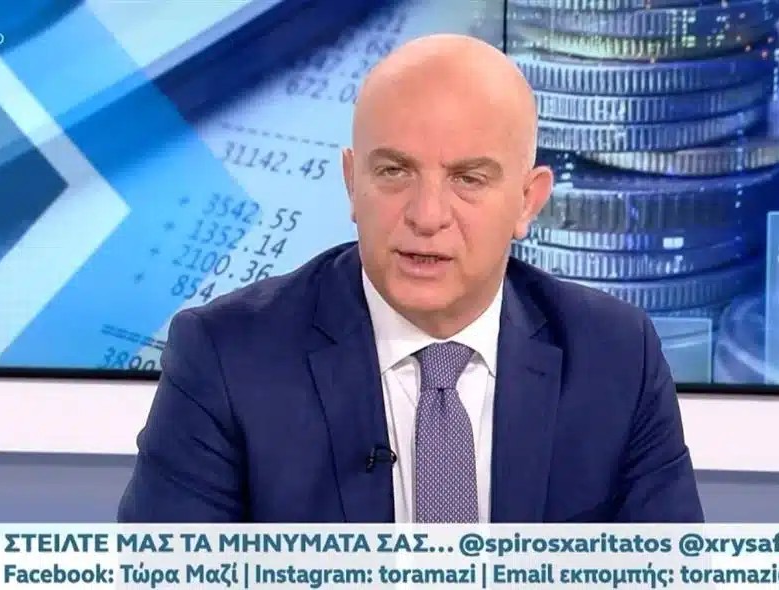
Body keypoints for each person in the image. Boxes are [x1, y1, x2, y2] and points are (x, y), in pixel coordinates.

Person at [117, 34, 704, 523]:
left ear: (528, 200)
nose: (427, 216)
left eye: (468, 179)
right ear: (353, 183)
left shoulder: (615, 356)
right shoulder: (227, 357)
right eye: (395, 171)